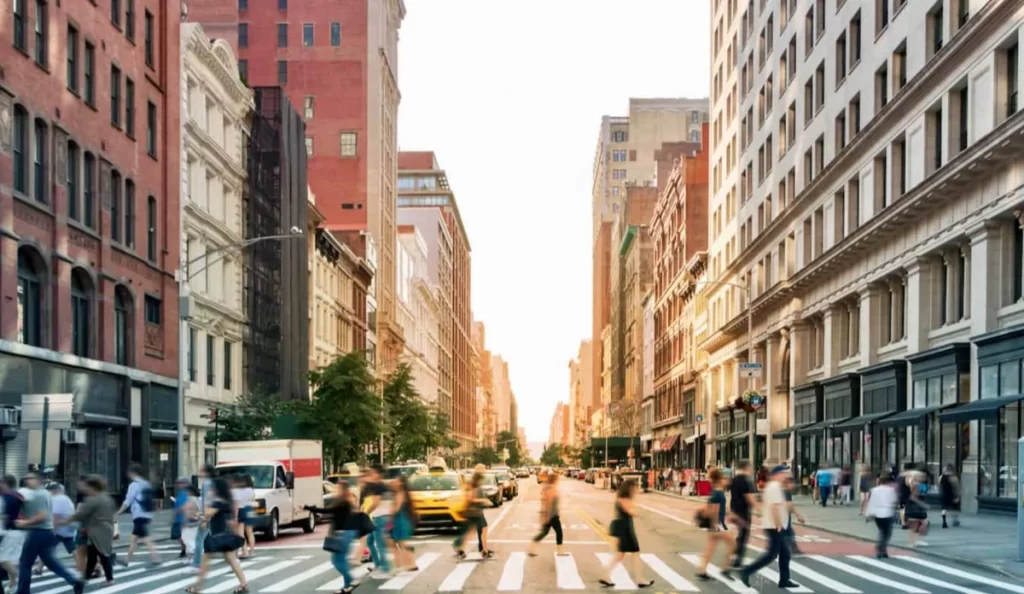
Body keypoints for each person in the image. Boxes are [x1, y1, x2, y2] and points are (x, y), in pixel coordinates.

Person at [14, 472, 85, 594]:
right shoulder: (45, 493)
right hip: (47, 533)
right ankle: (74, 580)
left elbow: (42, 515)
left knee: (25, 563)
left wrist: (24, 523)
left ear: (38, 480)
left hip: (36, 532)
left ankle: (22, 591)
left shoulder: (38, 495)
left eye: (30, 478)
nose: (26, 480)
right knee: (51, 562)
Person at [736, 465, 798, 589]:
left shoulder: (774, 486)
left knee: (785, 553)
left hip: (774, 525)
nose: (786, 476)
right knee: (772, 554)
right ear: (777, 474)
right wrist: (778, 524)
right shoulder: (774, 487)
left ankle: (784, 580)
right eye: (784, 473)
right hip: (774, 526)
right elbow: (775, 507)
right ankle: (746, 571)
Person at [186, 477, 248, 594]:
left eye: (212, 488)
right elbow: (215, 518)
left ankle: (197, 588)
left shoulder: (218, 502)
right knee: (232, 561)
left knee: (205, 563)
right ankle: (243, 584)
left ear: (217, 489)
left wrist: (201, 511)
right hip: (225, 536)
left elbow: (208, 514)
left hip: (217, 538)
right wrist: (201, 517)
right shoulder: (225, 502)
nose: (210, 490)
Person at [306, 482, 362, 594]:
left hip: (343, 534)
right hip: (347, 533)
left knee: (337, 561)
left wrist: (307, 507)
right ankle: (347, 587)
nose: (336, 491)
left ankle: (352, 579)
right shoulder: (346, 501)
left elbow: (326, 511)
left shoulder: (343, 502)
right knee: (341, 560)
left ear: (342, 490)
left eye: (338, 489)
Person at [598, 480, 653, 589]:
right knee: (634, 553)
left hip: (623, 527)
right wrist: (635, 504)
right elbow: (632, 512)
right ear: (629, 489)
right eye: (635, 488)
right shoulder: (624, 499)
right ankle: (640, 579)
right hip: (624, 528)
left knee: (621, 554)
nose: (636, 489)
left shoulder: (622, 498)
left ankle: (605, 575)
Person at [64, 475, 117, 585]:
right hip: (106, 529)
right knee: (96, 555)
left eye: (87, 486)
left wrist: (66, 520)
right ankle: (90, 578)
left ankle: (104, 579)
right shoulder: (107, 498)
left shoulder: (93, 499)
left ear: (92, 487)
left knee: (101, 555)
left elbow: (81, 514)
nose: (85, 488)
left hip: (96, 531)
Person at [693, 468, 735, 581]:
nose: (726, 481)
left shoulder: (714, 492)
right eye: (724, 478)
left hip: (714, 526)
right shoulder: (718, 494)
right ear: (719, 480)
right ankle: (725, 568)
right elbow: (714, 511)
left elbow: (710, 509)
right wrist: (715, 525)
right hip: (717, 525)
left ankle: (702, 570)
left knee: (710, 548)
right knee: (732, 543)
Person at [116, 463, 158, 566]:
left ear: (133, 473)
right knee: (134, 538)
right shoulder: (146, 483)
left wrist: (119, 512)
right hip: (147, 513)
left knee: (145, 538)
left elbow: (128, 501)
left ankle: (156, 559)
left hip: (139, 514)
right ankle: (126, 560)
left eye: (129, 472)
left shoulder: (134, 485)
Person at [35, 484, 76, 577]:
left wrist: (52, 529)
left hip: (58, 530)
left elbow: (55, 516)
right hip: (68, 528)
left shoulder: (57, 499)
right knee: (73, 548)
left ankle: (39, 568)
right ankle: (39, 567)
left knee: (47, 549)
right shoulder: (67, 499)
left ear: (54, 490)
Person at [362, 466, 393, 578]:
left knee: (380, 545)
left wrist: (366, 513)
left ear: (378, 474)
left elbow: (375, 503)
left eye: (373, 472)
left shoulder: (377, 486)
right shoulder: (384, 485)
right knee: (370, 541)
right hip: (382, 516)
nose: (371, 475)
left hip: (379, 517)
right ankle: (378, 564)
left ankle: (385, 569)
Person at [453, 471, 492, 559]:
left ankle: (461, 548)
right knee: (482, 530)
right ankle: (484, 551)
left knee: (472, 531)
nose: (482, 481)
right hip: (474, 513)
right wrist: (483, 501)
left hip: (475, 513)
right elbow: (470, 499)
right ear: (478, 479)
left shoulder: (473, 486)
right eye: (481, 479)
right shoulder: (473, 487)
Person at [526, 471, 565, 557]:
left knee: (544, 533)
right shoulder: (550, 489)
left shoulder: (549, 488)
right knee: (559, 532)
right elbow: (548, 503)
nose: (558, 481)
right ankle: (560, 551)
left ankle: (531, 548)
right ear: (554, 480)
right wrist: (546, 516)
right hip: (552, 515)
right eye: (557, 479)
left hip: (551, 514)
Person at [727, 460, 756, 568]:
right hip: (743, 511)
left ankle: (734, 556)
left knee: (740, 534)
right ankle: (737, 559)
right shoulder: (745, 481)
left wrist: (730, 511)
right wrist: (760, 510)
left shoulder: (734, 479)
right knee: (743, 535)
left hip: (735, 510)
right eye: (750, 467)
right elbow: (749, 497)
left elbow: (731, 495)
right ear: (746, 467)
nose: (751, 469)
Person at [865, 470, 898, 558]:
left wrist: (868, 513)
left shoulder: (874, 490)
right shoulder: (891, 490)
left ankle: (882, 549)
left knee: (882, 530)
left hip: (877, 514)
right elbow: (894, 502)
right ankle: (881, 547)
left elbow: (871, 502)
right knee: (887, 532)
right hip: (887, 513)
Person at [0, 476, 25, 592]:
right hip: (18, 530)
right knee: (10, 559)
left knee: (3, 558)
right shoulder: (18, 495)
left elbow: (4, 517)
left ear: (5, 483)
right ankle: (11, 584)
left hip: (8, 531)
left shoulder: (6, 498)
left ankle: (14, 576)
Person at [389, 476, 417, 572]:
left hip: (400, 521)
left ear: (401, 483)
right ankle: (405, 564)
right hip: (401, 520)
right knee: (397, 543)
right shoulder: (402, 493)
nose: (393, 483)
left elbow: (396, 509)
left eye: (396, 481)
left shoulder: (400, 494)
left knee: (400, 543)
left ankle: (409, 564)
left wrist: (389, 513)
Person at [193, 464, 214, 571]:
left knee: (199, 539)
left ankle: (197, 564)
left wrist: (205, 518)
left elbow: (206, 501)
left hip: (207, 514)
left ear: (206, 472)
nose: (199, 472)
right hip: (213, 513)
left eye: (201, 470)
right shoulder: (213, 482)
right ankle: (233, 557)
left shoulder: (206, 483)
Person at [231, 475, 256, 558]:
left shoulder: (236, 491)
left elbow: (236, 504)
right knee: (250, 532)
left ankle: (244, 551)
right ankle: (252, 550)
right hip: (250, 510)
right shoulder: (251, 490)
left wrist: (235, 517)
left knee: (241, 533)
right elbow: (253, 500)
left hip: (241, 510)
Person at [179, 486, 202, 565]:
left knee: (188, 541)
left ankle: (193, 558)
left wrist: (183, 508)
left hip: (190, 522)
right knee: (191, 540)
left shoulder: (191, 499)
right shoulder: (197, 499)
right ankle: (191, 558)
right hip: (194, 521)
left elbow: (186, 509)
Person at [939, 464, 961, 528]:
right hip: (952, 495)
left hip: (943, 494)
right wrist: (957, 496)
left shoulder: (941, 477)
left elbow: (940, 485)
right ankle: (955, 520)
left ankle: (944, 521)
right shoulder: (953, 478)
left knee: (944, 509)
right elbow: (956, 487)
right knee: (954, 508)